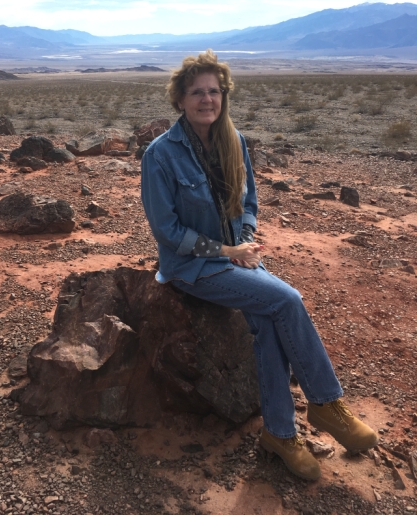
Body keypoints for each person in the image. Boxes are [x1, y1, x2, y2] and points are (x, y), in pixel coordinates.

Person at [140, 50, 378, 481]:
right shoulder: (160, 155)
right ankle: (326, 404)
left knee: (268, 322)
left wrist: (245, 239)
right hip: (191, 267)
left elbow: (248, 202)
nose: (206, 99)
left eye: (214, 91)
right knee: (287, 299)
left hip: (235, 257)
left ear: (223, 96)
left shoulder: (234, 141)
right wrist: (226, 252)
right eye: (196, 92)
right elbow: (167, 230)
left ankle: (280, 435)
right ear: (179, 99)